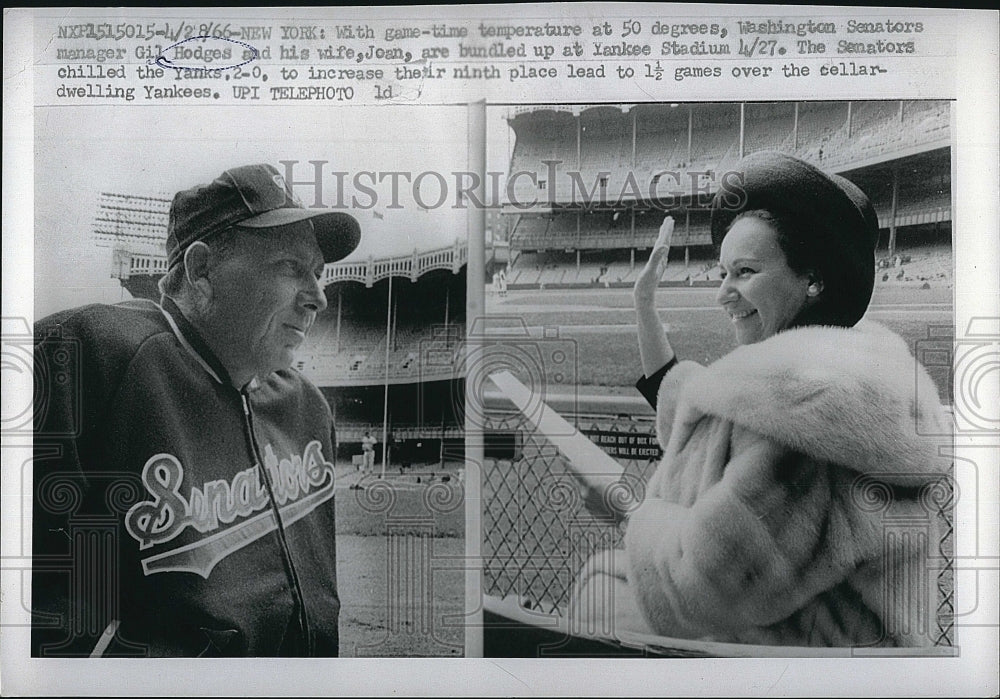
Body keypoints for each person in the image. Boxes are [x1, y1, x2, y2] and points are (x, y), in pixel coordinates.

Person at [571, 151, 952, 648]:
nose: (723, 294)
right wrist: (645, 308)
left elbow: (706, 590)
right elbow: (699, 412)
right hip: (858, 662)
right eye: (722, 273)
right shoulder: (848, 379)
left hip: (805, 674)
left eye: (745, 272)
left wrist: (631, 510)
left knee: (603, 598)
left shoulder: (804, 417)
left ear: (812, 280)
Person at [31, 164, 361, 657]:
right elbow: (44, 610)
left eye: (318, 272)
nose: (318, 297)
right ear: (201, 270)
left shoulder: (306, 408)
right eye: (291, 267)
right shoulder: (90, 359)